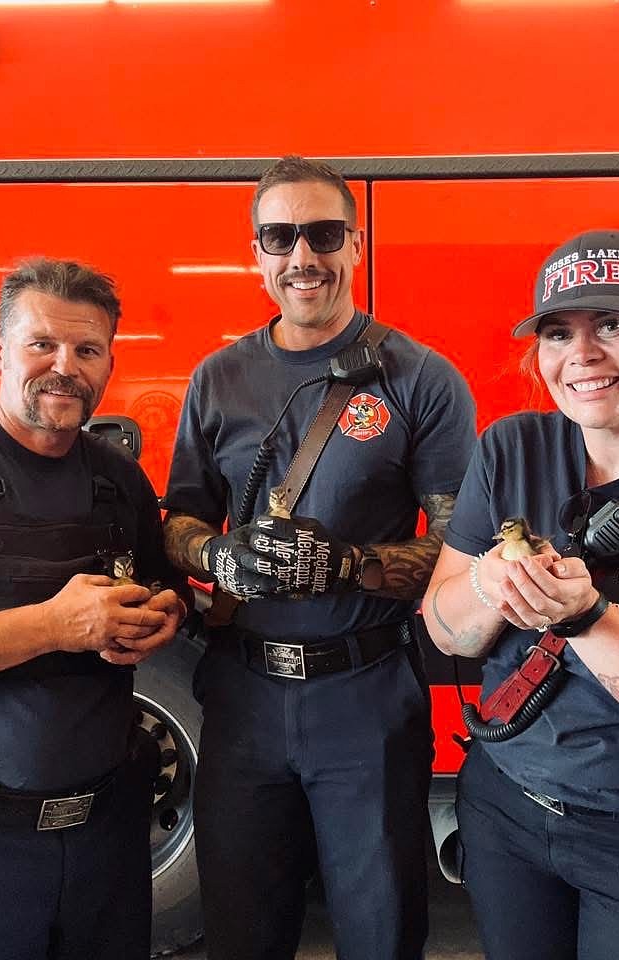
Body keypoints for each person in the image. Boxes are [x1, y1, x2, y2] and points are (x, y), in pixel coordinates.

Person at [162, 155, 476, 960]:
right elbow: (179, 519)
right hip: (242, 699)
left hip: (366, 698)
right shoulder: (218, 378)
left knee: (381, 934)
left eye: (324, 234)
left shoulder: (422, 378)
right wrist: (218, 553)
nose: (303, 255)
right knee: (242, 934)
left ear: (356, 244)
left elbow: (459, 544)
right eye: (280, 237)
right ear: (257, 254)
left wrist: (347, 566)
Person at [424, 229, 619, 960]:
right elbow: (443, 627)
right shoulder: (510, 449)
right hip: (506, 811)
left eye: (611, 324)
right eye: (558, 333)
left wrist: (588, 618)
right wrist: (490, 583)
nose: (581, 354)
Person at [0, 258, 188, 960]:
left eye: (86, 349)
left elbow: (166, 589)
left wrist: (161, 617)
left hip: (107, 840)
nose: (64, 367)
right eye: (41, 344)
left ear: (109, 362)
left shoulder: (118, 478)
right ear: (0, 351)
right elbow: (65, 623)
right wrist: (55, 625)